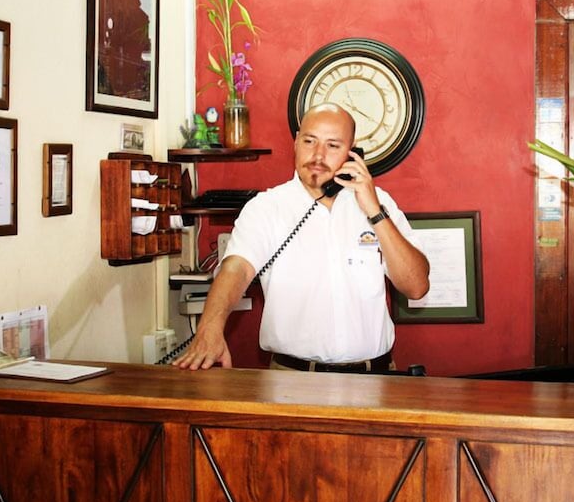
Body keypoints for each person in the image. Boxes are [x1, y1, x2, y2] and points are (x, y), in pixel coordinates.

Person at [174, 102, 430, 371]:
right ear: (296, 142)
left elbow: (416, 286)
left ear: (352, 152)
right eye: (310, 141)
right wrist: (210, 329)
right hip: (293, 378)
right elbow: (236, 268)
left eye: (333, 145)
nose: (318, 155)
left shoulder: (380, 203)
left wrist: (375, 212)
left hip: (375, 377)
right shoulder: (266, 208)